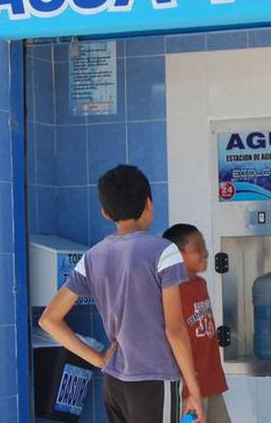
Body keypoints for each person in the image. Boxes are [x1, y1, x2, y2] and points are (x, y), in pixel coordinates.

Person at [39, 164, 205, 423]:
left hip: (114, 382)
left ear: (105, 212)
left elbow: (49, 319)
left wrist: (98, 360)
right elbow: (175, 329)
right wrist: (193, 389)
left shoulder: (92, 257)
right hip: (155, 381)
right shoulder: (164, 251)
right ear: (148, 203)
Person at [162, 224, 230, 423]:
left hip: (210, 384)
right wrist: (190, 387)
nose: (206, 252)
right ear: (177, 254)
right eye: (198, 247)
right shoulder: (172, 292)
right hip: (187, 391)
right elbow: (173, 337)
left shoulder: (200, 285)